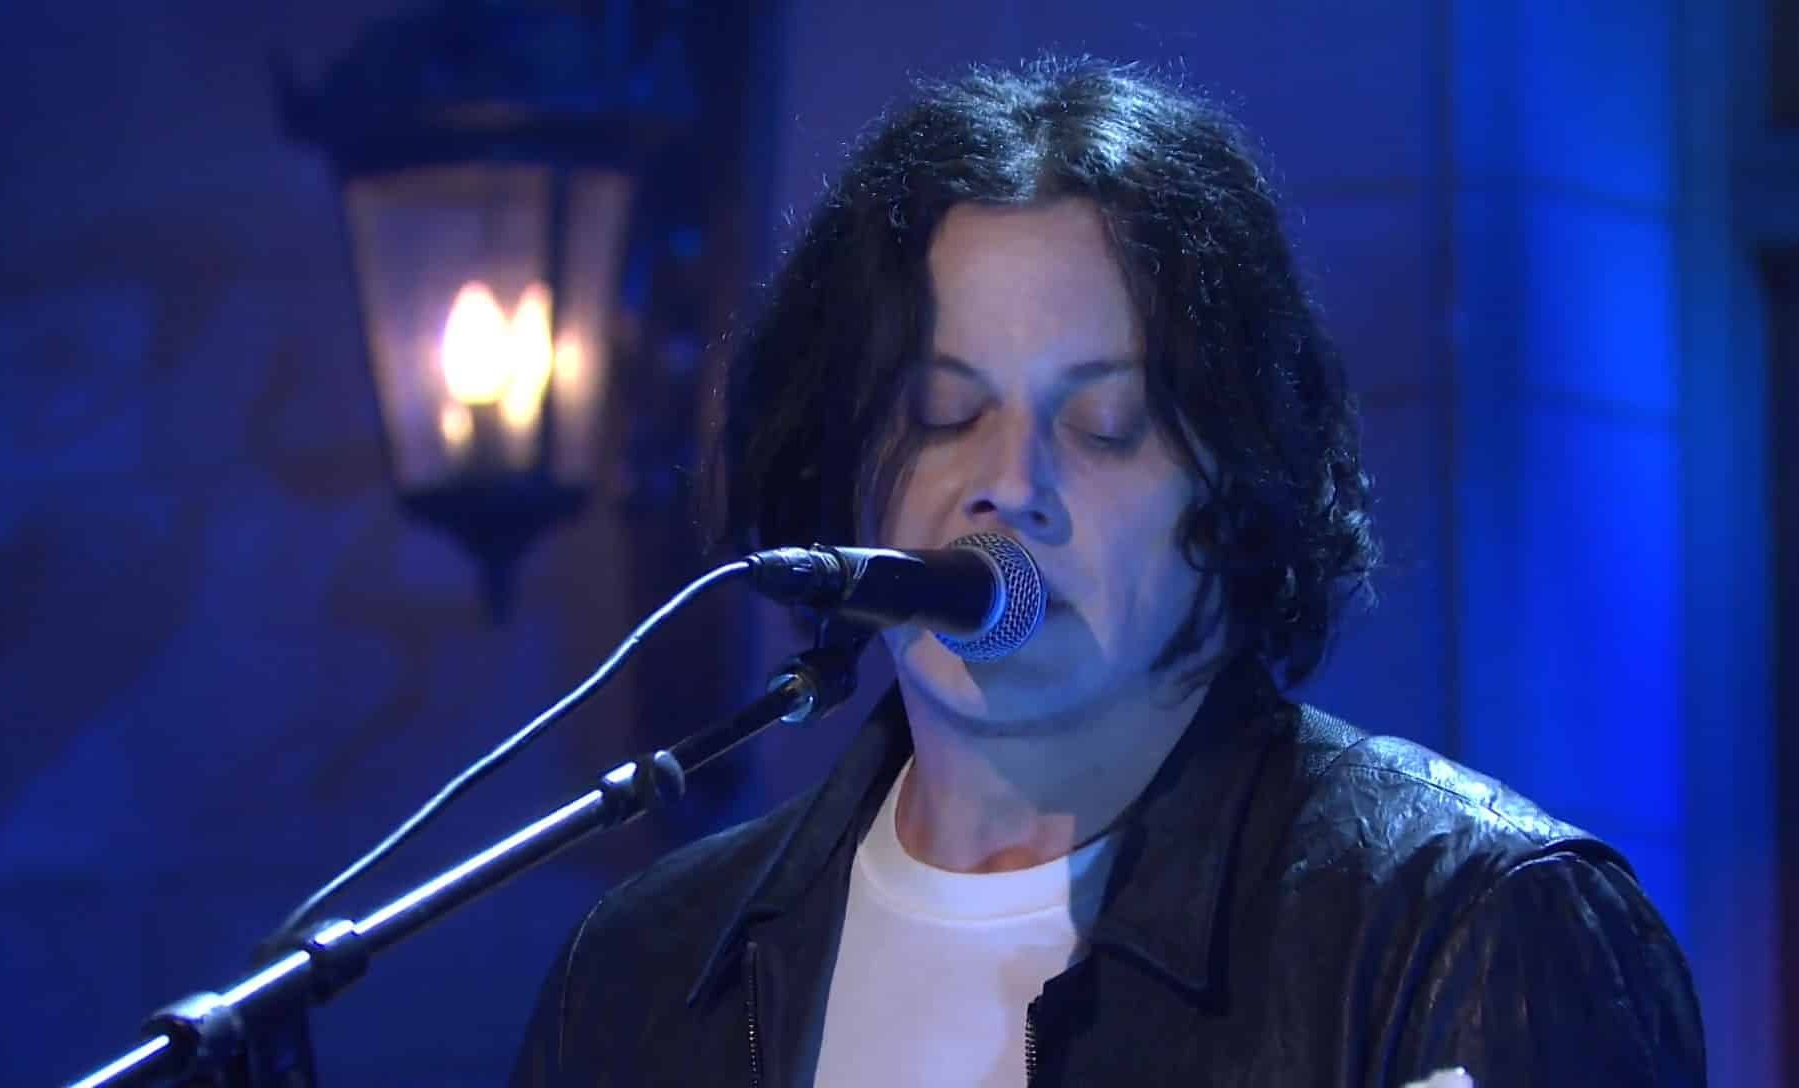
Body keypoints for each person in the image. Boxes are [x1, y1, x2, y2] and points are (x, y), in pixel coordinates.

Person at [512, 59, 1706, 1086]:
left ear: (1233, 488)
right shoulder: (643, 967)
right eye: (941, 413)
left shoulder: (1463, 924)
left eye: (1103, 425)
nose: (1009, 481)